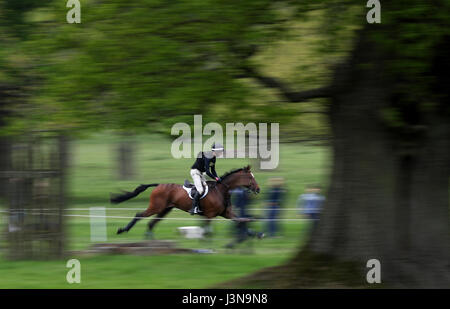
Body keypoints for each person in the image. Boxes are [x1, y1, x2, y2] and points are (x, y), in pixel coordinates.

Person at [189, 143, 224, 215]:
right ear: (216, 151)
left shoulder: (213, 158)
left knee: (207, 187)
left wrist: (217, 178)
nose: (221, 153)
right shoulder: (208, 157)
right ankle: (194, 208)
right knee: (200, 190)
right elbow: (208, 172)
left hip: (201, 173)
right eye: (220, 151)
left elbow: (213, 170)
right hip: (195, 172)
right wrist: (216, 179)